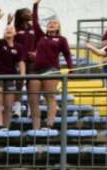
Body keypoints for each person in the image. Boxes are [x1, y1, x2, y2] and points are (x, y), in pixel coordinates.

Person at [28, 0, 73, 130]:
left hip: (51, 70)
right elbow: (35, 22)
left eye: (55, 23)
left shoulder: (61, 39)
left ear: (58, 27)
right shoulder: (41, 36)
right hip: (36, 70)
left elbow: (67, 54)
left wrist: (71, 68)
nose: (52, 24)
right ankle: (36, 128)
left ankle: (49, 125)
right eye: (49, 23)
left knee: (50, 96)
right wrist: (35, 5)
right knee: (33, 99)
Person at [0, 15, 28, 130]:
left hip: (11, 77)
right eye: (6, 29)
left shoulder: (19, 47)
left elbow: (21, 62)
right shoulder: (0, 43)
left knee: (8, 105)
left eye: (11, 29)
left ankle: (6, 128)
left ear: (15, 33)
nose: (9, 30)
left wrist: (22, 76)